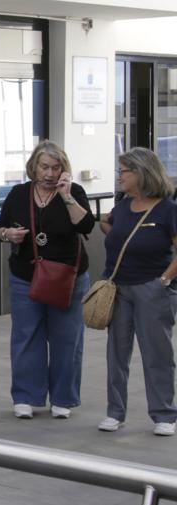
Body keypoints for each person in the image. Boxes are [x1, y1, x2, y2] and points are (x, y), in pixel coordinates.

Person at [0, 141, 94, 420]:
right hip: (26, 274)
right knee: (27, 335)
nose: (49, 173)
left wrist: (67, 196)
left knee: (67, 338)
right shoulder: (18, 194)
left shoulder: (74, 192)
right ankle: (26, 396)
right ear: (33, 167)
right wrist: (7, 235)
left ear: (64, 169)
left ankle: (63, 398)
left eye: (56, 167)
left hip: (67, 276)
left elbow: (86, 226)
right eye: (44, 167)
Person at [96, 147, 177, 436]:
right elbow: (109, 224)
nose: (119, 176)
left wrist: (164, 280)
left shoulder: (168, 209)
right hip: (118, 289)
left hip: (152, 289)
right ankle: (115, 412)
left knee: (157, 353)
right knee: (116, 353)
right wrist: (111, 229)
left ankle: (164, 414)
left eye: (123, 171)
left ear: (141, 172)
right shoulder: (123, 206)